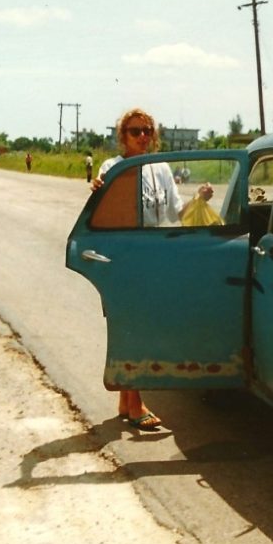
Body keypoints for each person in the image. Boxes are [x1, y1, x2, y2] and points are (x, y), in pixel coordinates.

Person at [90, 107, 184, 430]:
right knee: (132, 328)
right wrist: (97, 189)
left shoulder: (160, 168)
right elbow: (99, 210)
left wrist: (201, 198)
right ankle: (136, 404)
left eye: (146, 130)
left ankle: (126, 400)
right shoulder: (111, 168)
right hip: (123, 258)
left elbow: (175, 211)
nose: (142, 136)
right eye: (134, 131)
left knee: (140, 327)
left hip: (153, 258)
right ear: (123, 136)